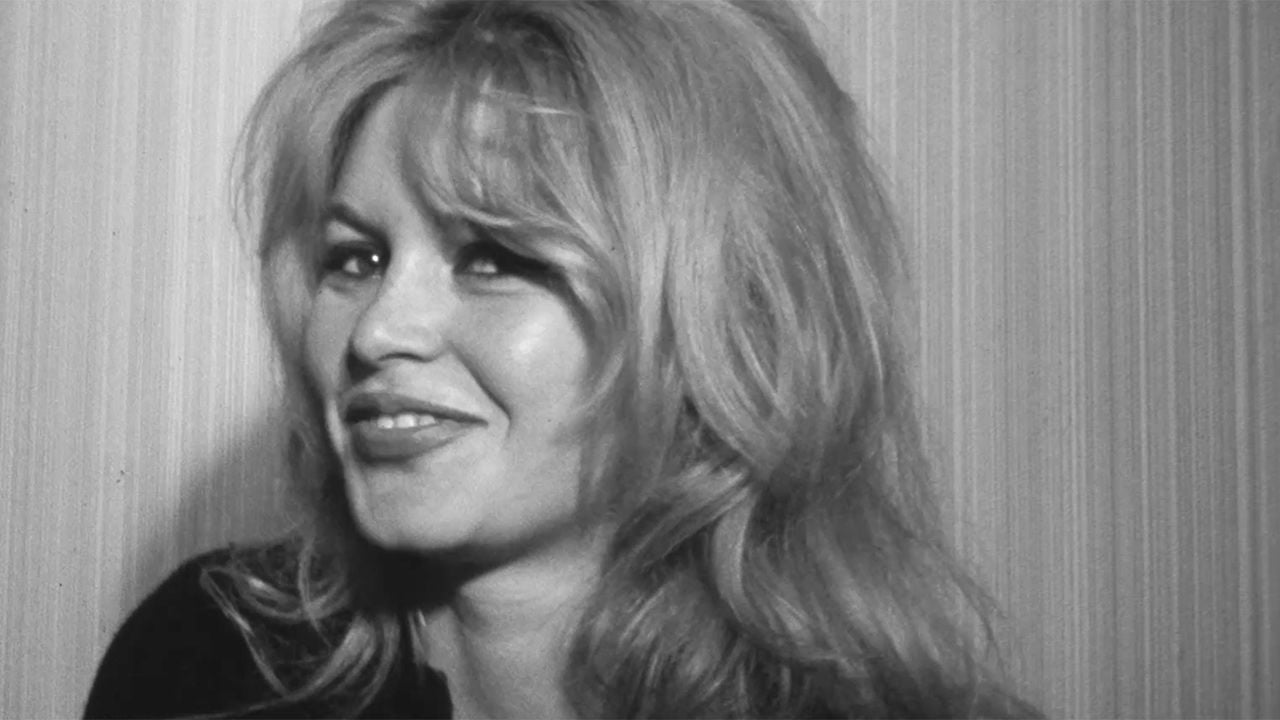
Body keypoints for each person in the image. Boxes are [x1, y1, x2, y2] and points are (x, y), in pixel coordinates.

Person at [85, 0, 1041, 717]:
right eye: (357, 259)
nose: (377, 331)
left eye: (493, 257)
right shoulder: (206, 663)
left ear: (717, 319)